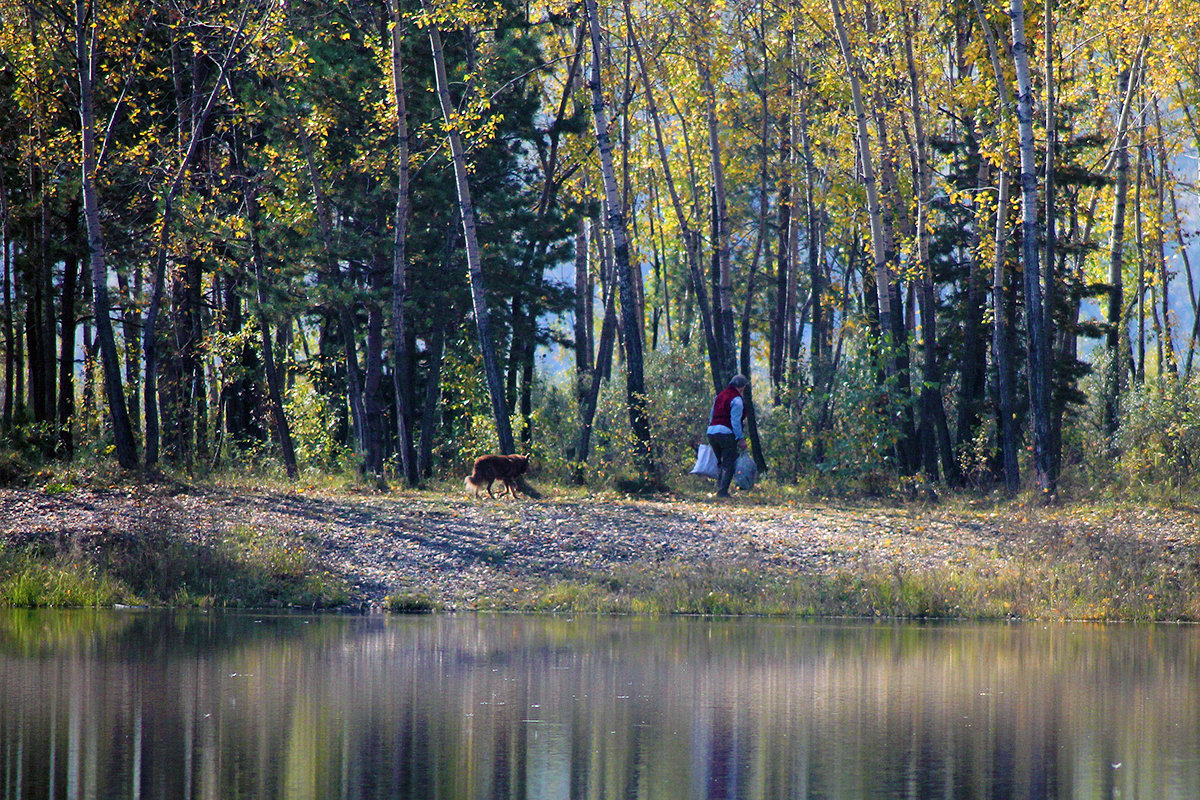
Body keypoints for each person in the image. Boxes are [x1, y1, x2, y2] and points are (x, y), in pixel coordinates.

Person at [706, 374, 749, 497]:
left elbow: (712, 415)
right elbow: (735, 421)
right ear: (741, 387)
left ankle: (719, 487)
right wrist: (740, 439)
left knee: (720, 462)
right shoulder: (737, 400)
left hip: (712, 431)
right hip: (725, 432)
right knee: (729, 462)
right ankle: (723, 491)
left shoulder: (719, 396)